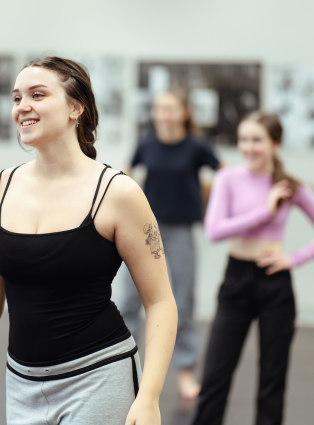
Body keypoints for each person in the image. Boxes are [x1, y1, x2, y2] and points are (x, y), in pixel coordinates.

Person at [0, 57, 178, 425]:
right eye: (17, 98)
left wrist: (150, 397)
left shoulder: (117, 194)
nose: (23, 107)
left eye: (37, 94)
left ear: (75, 107)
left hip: (98, 378)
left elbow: (160, 301)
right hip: (21, 384)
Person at [192, 112, 314, 425]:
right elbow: (214, 231)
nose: (248, 147)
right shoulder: (227, 178)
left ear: (275, 144)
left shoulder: (290, 187)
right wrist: (264, 210)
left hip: (275, 284)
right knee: (215, 376)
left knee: (272, 381)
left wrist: (295, 258)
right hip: (236, 280)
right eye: (244, 139)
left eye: (257, 140)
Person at [118, 89, 220, 400]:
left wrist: (210, 204)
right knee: (128, 302)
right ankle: (124, 371)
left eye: (171, 109)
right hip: (143, 231)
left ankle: (186, 373)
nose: (164, 115)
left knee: (183, 302)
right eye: (160, 108)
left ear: (184, 113)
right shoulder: (146, 143)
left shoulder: (197, 147)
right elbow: (127, 174)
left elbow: (225, 177)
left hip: (180, 232)